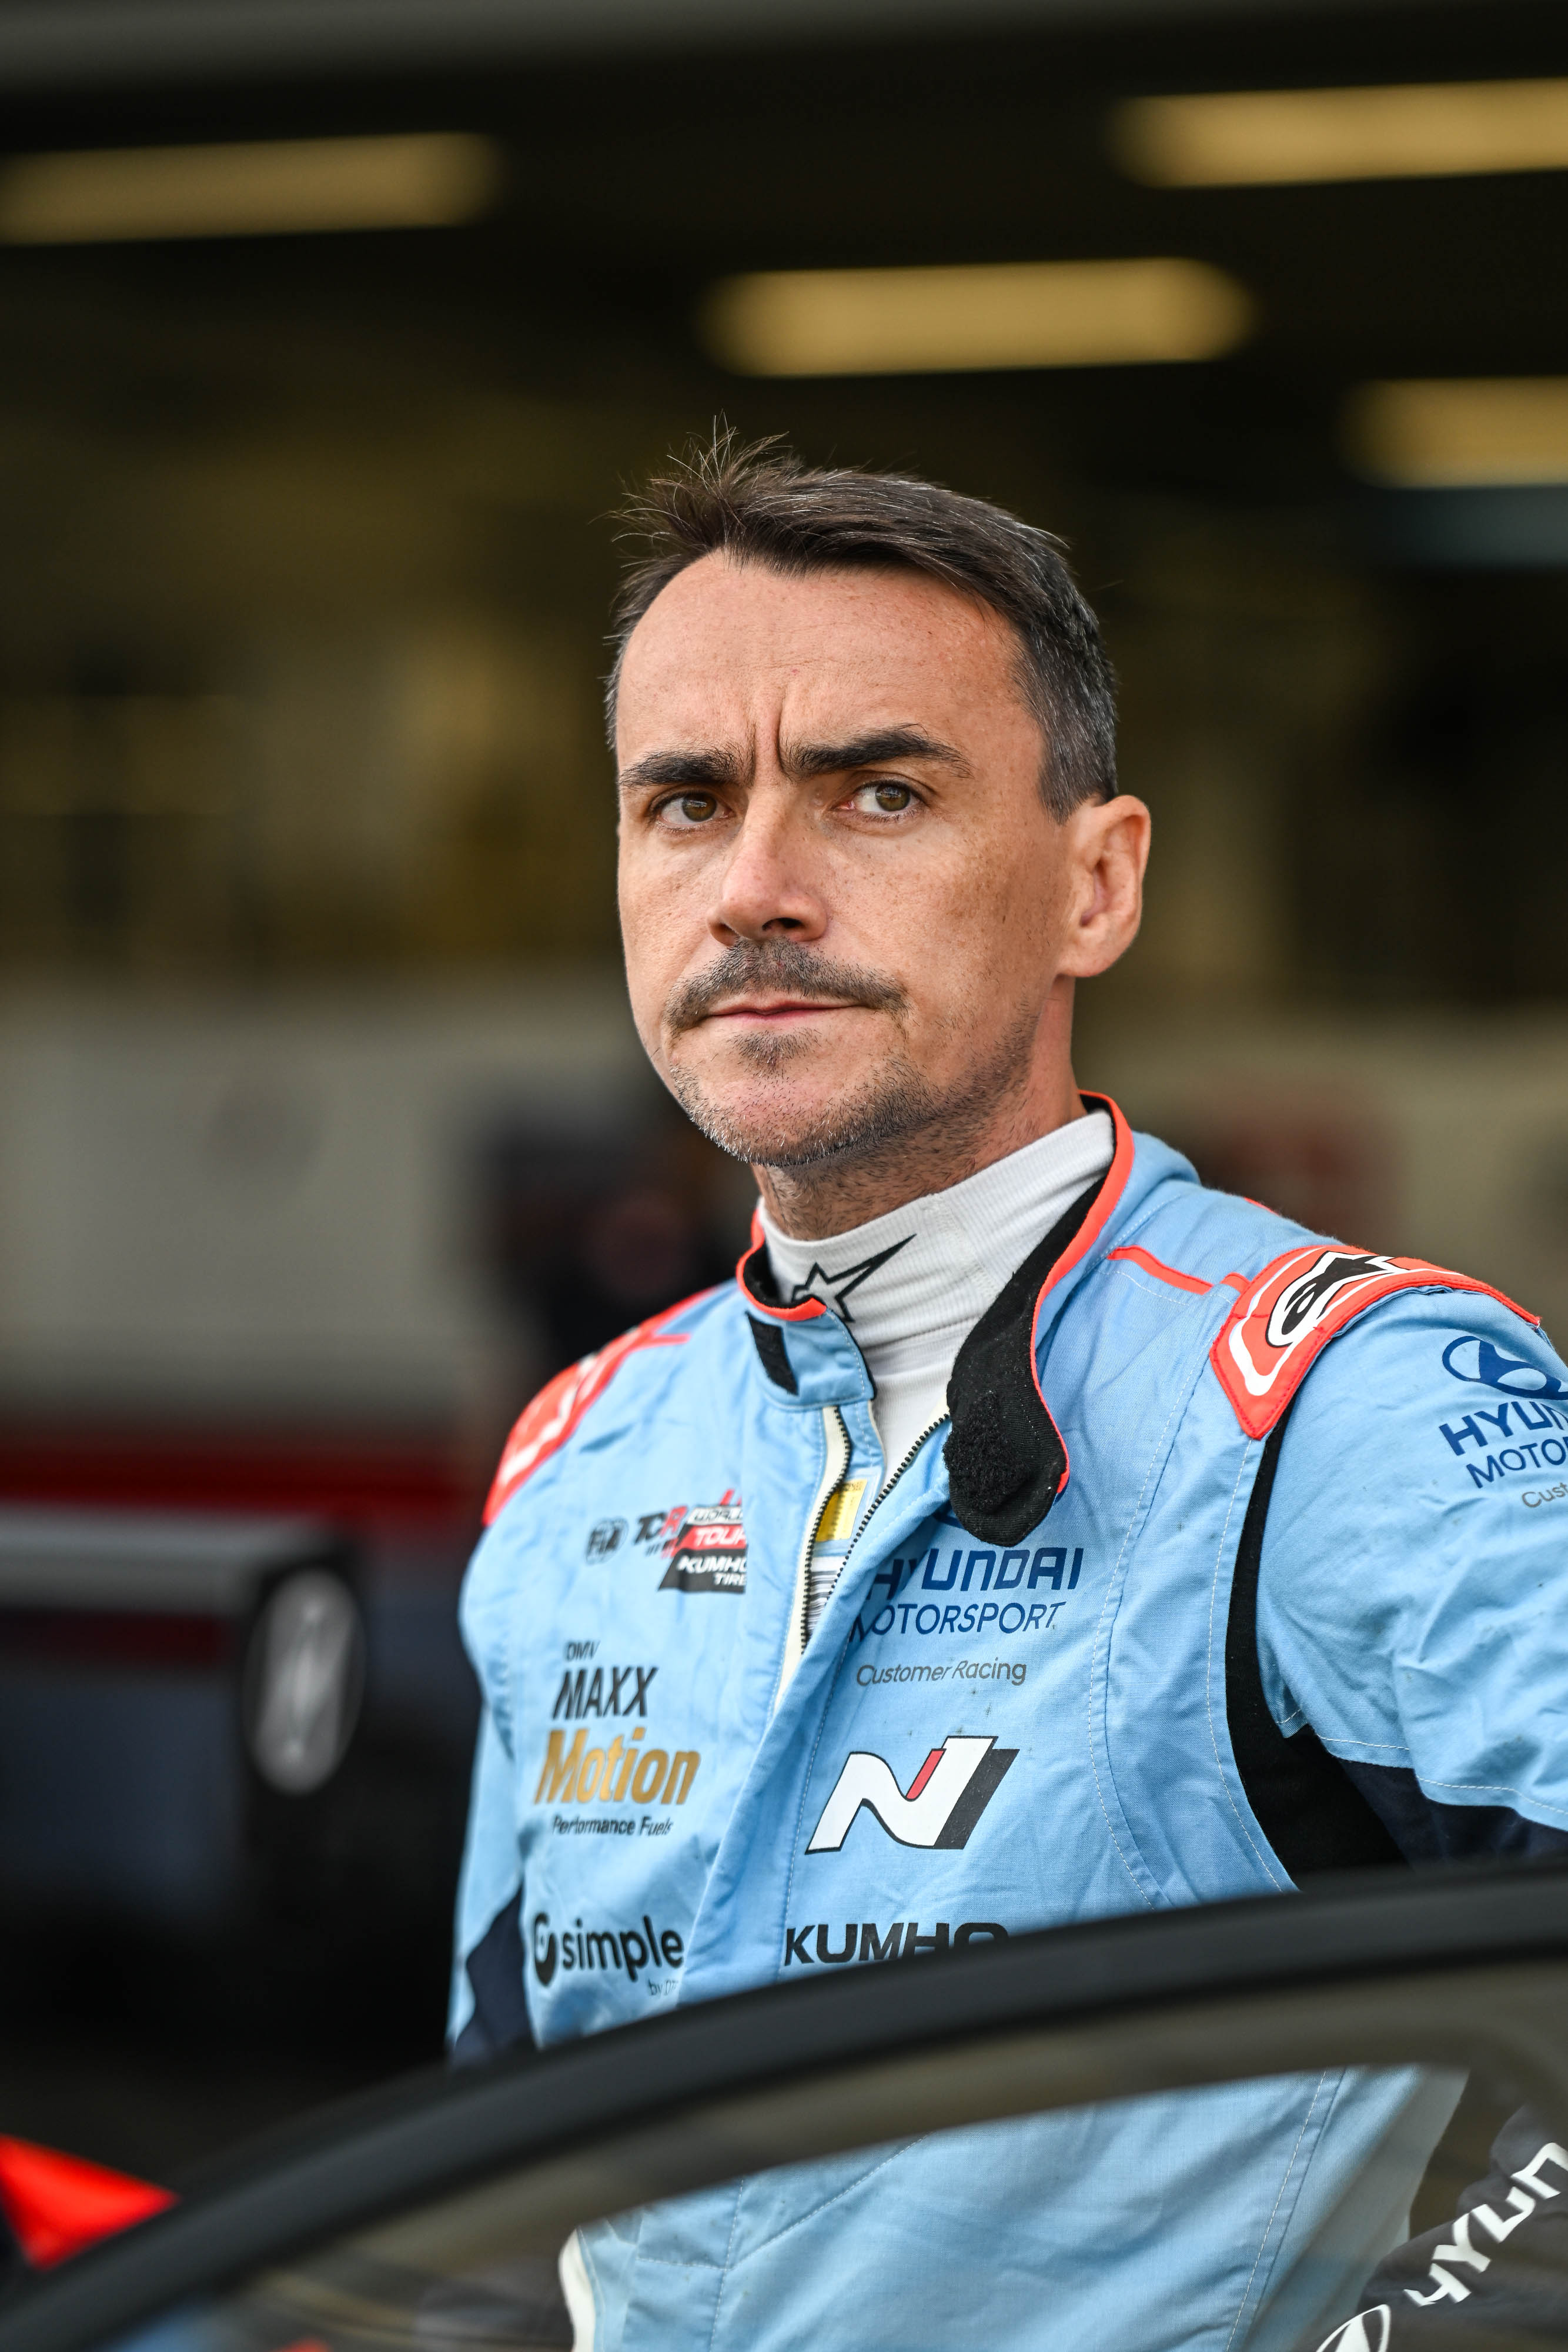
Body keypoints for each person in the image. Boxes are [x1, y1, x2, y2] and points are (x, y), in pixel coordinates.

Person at [448, 431, 1568, 2351]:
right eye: (684, 802)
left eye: (877, 793)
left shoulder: (1346, 1409)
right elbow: (491, 2188)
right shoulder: (581, 1456)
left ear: (1094, 886)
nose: (755, 889)